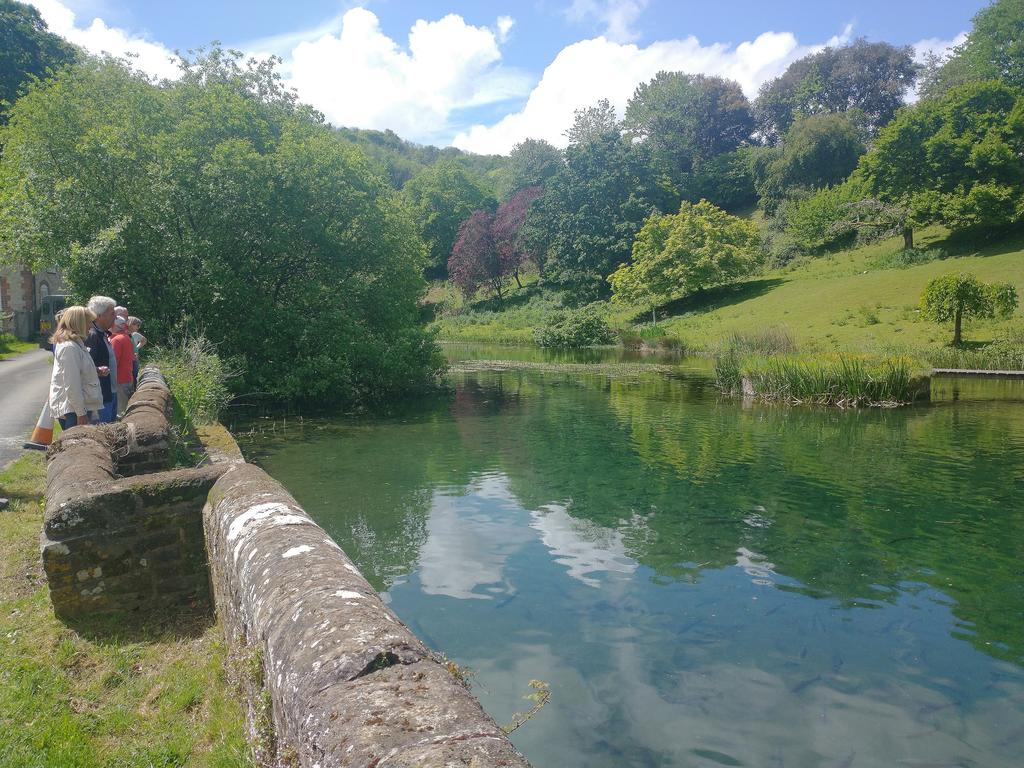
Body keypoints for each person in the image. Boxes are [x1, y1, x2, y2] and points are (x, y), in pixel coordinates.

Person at [48, 306, 103, 430]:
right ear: (79, 323)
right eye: (89, 322)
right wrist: (81, 413)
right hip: (73, 411)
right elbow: (71, 383)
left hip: (76, 408)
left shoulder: (75, 344)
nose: (91, 326)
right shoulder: (69, 348)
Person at [86, 295, 118, 422]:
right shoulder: (92, 336)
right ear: (98, 316)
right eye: (112, 314)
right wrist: (98, 370)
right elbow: (86, 366)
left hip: (109, 393)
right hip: (100, 399)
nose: (115, 317)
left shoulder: (102, 334)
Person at [110, 315, 135, 417]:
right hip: (127, 378)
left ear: (115, 326)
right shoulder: (126, 337)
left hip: (119, 380)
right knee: (125, 410)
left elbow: (113, 362)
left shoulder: (117, 340)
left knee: (120, 413)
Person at [128, 316, 146, 388]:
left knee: (134, 375)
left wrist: (137, 348)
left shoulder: (135, 334)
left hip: (134, 359)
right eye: (137, 325)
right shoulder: (125, 335)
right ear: (131, 324)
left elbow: (144, 340)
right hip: (128, 360)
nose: (138, 327)